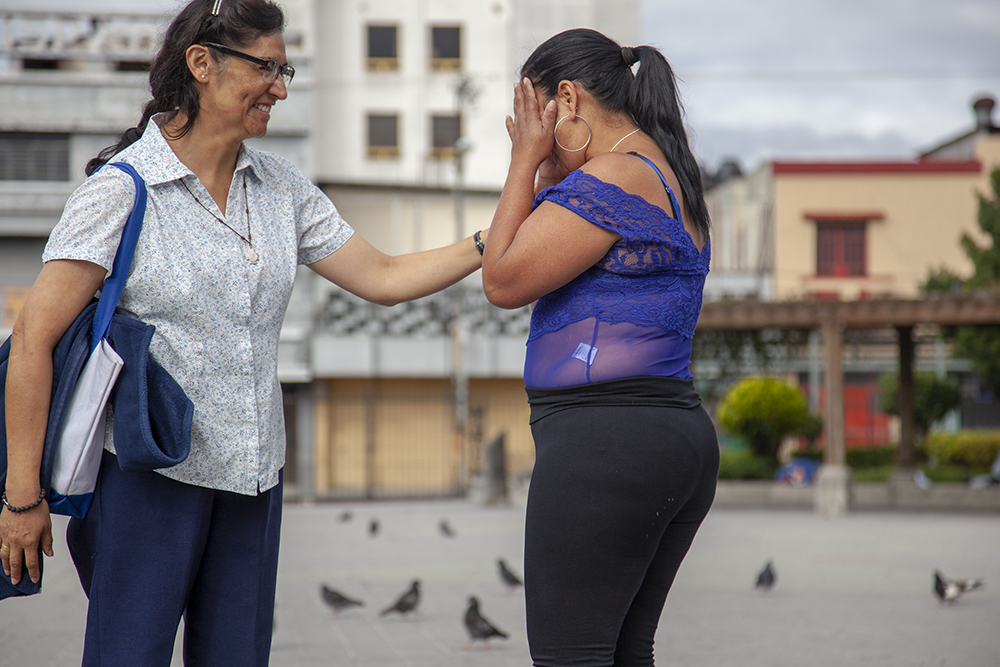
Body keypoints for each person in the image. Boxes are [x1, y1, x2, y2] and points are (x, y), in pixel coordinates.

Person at [0, 1, 485, 664]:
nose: (280, 88)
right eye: (266, 67)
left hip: (255, 480)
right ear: (202, 64)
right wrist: (21, 497)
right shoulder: (123, 189)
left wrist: (494, 237)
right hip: (150, 479)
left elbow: (385, 275)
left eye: (285, 70)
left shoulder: (281, 188)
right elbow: (33, 339)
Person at [481, 29, 719, 666]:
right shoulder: (668, 174)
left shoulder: (616, 176)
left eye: (534, 116)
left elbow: (502, 279)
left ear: (567, 98)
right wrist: (552, 170)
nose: (527, 131)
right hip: (669, 435)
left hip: (607, 445)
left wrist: (525, 161)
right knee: (620, 652)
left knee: (571, 657)